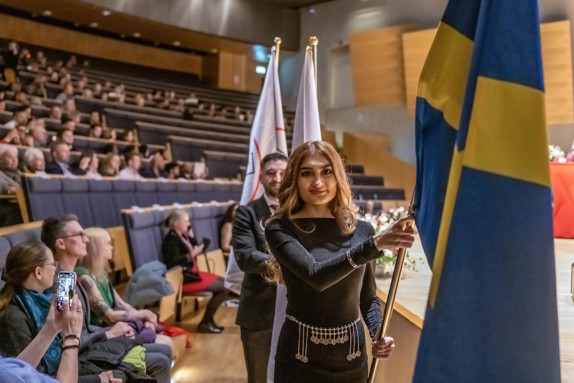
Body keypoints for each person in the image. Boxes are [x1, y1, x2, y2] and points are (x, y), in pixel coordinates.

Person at [264, 141, 415, 382]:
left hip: (351, 359)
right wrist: (374, 245)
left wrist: (377, 331)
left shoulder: (363, 230)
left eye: (327, 171)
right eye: (307, 173)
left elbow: (367, 297)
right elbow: (316, 276)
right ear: (294, 179)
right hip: (298, 360)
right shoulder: (280, 229)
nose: (318, 182)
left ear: (338, 176)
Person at [41, 214, 172, 383]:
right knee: (160, 360)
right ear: (60, 243)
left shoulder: (70, 276)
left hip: (91, 345)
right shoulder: (63, 282)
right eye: (79, 235)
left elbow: (85, 329)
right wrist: (108, 334)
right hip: (83, 355)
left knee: (164, 352)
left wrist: (112, 331)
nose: (86, 239)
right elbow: (69, 335)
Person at [0, 241, 119, 383]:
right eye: (53, 265)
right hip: (52, 376)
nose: (55, 269)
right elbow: (30, 376)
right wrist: (96, 379)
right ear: (38, 272)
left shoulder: (46, 297)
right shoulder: (12, 316)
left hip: (72, 362)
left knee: (125, 367)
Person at [231, 152, 287, 383]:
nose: (277, 178)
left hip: (297, 312)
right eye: (271, 173)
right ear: (261, 177)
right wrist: (289, 265)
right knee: (260, 377)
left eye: (283, 173)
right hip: (260, 311)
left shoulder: (303, 211)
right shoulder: (247, 213)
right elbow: (245, 256)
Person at [76, 227, 173, 348]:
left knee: (165, 340)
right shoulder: (83, 277)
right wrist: (144, 314)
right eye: (107, 244)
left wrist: (145, 319)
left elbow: (121, 304)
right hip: (101, 332)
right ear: (96, 249)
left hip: (115, 326)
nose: (111, 247)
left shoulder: (101, 273)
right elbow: (109, 316)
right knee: (165, 344)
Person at [162, 209, 229, 334]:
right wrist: (191, 254)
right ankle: (205, 322)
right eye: (186, 221)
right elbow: (173, 262)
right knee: (223, 288)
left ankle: (209, 321)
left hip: (192, 274)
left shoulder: (182, 236)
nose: (189, 224)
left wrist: (191, 236)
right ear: (176, 223)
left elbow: (195, 247)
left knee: (224, 282)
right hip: (182, 279)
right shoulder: (170, 240)